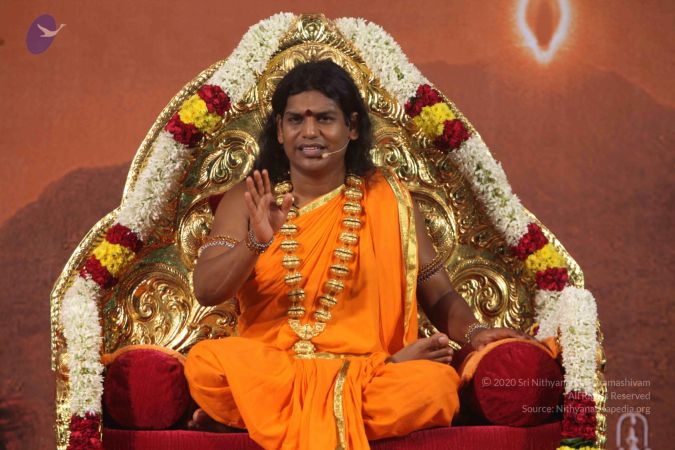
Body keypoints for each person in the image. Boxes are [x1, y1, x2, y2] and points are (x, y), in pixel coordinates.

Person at [184, 60, 529, 449]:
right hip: (274, 368)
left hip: (366, 373)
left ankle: (260, 417)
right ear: (279, 129)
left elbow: (440, 294)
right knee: (206, 364)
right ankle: (287, 407)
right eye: (296, 119)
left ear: (352, 127)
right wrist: (256, 242)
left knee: (434, 387)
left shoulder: (390, 199)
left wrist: (475, 332)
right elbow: (207, 290)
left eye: (325, 119)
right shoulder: (247, 200)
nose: (309, 132)